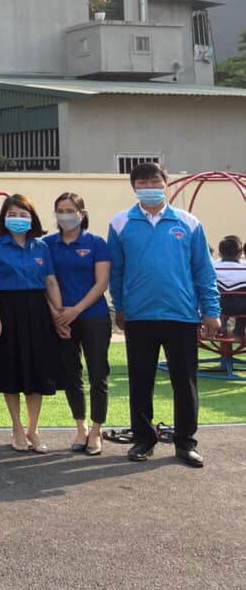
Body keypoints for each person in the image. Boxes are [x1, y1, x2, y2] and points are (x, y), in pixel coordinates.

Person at [109, 163, 220, 467]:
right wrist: (121, 306)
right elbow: (116, 271)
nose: (149, 187)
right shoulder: (120, 223)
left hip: (181, 315)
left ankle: (185, 443)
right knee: (140, 381)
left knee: (185, 382)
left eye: (154, 181)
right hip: (139, 316)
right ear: (134, 187)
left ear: (166, 184)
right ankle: (144, 439)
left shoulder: (189, 223)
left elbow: (203, 271)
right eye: (142, 183)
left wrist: (211, 311)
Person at [0, 194, 64, 454]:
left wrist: (59, 314)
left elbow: (50, 282)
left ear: (32, 218)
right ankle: (17, 427)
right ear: (4, 218)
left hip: (37, 312)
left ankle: (33, 429)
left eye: (23, 214)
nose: (18, 219)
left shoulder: (41, 247)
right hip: (7, 311)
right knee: (11, 370)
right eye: (12, 214)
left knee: (37, 372)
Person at [45, 192, 112, 456]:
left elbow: (101, 283)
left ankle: (97, 429)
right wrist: (56, 314)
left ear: (81, 214)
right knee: (71, 374)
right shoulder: (47, 244)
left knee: (98, 374)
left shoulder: (96, 243)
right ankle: (81, 427)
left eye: (70, 210)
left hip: (93, 316)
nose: (65, 215)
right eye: (60, 210)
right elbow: (43, 282)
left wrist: (76, 310)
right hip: (61, 320)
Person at [213, 235, 246, 338]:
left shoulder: (212, 268)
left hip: (217, 307)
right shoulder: (244, 268)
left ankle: (221, 328)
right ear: (240, 254)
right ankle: (239, 331)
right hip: (242, 309)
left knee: (220, 298)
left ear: (220, 254)